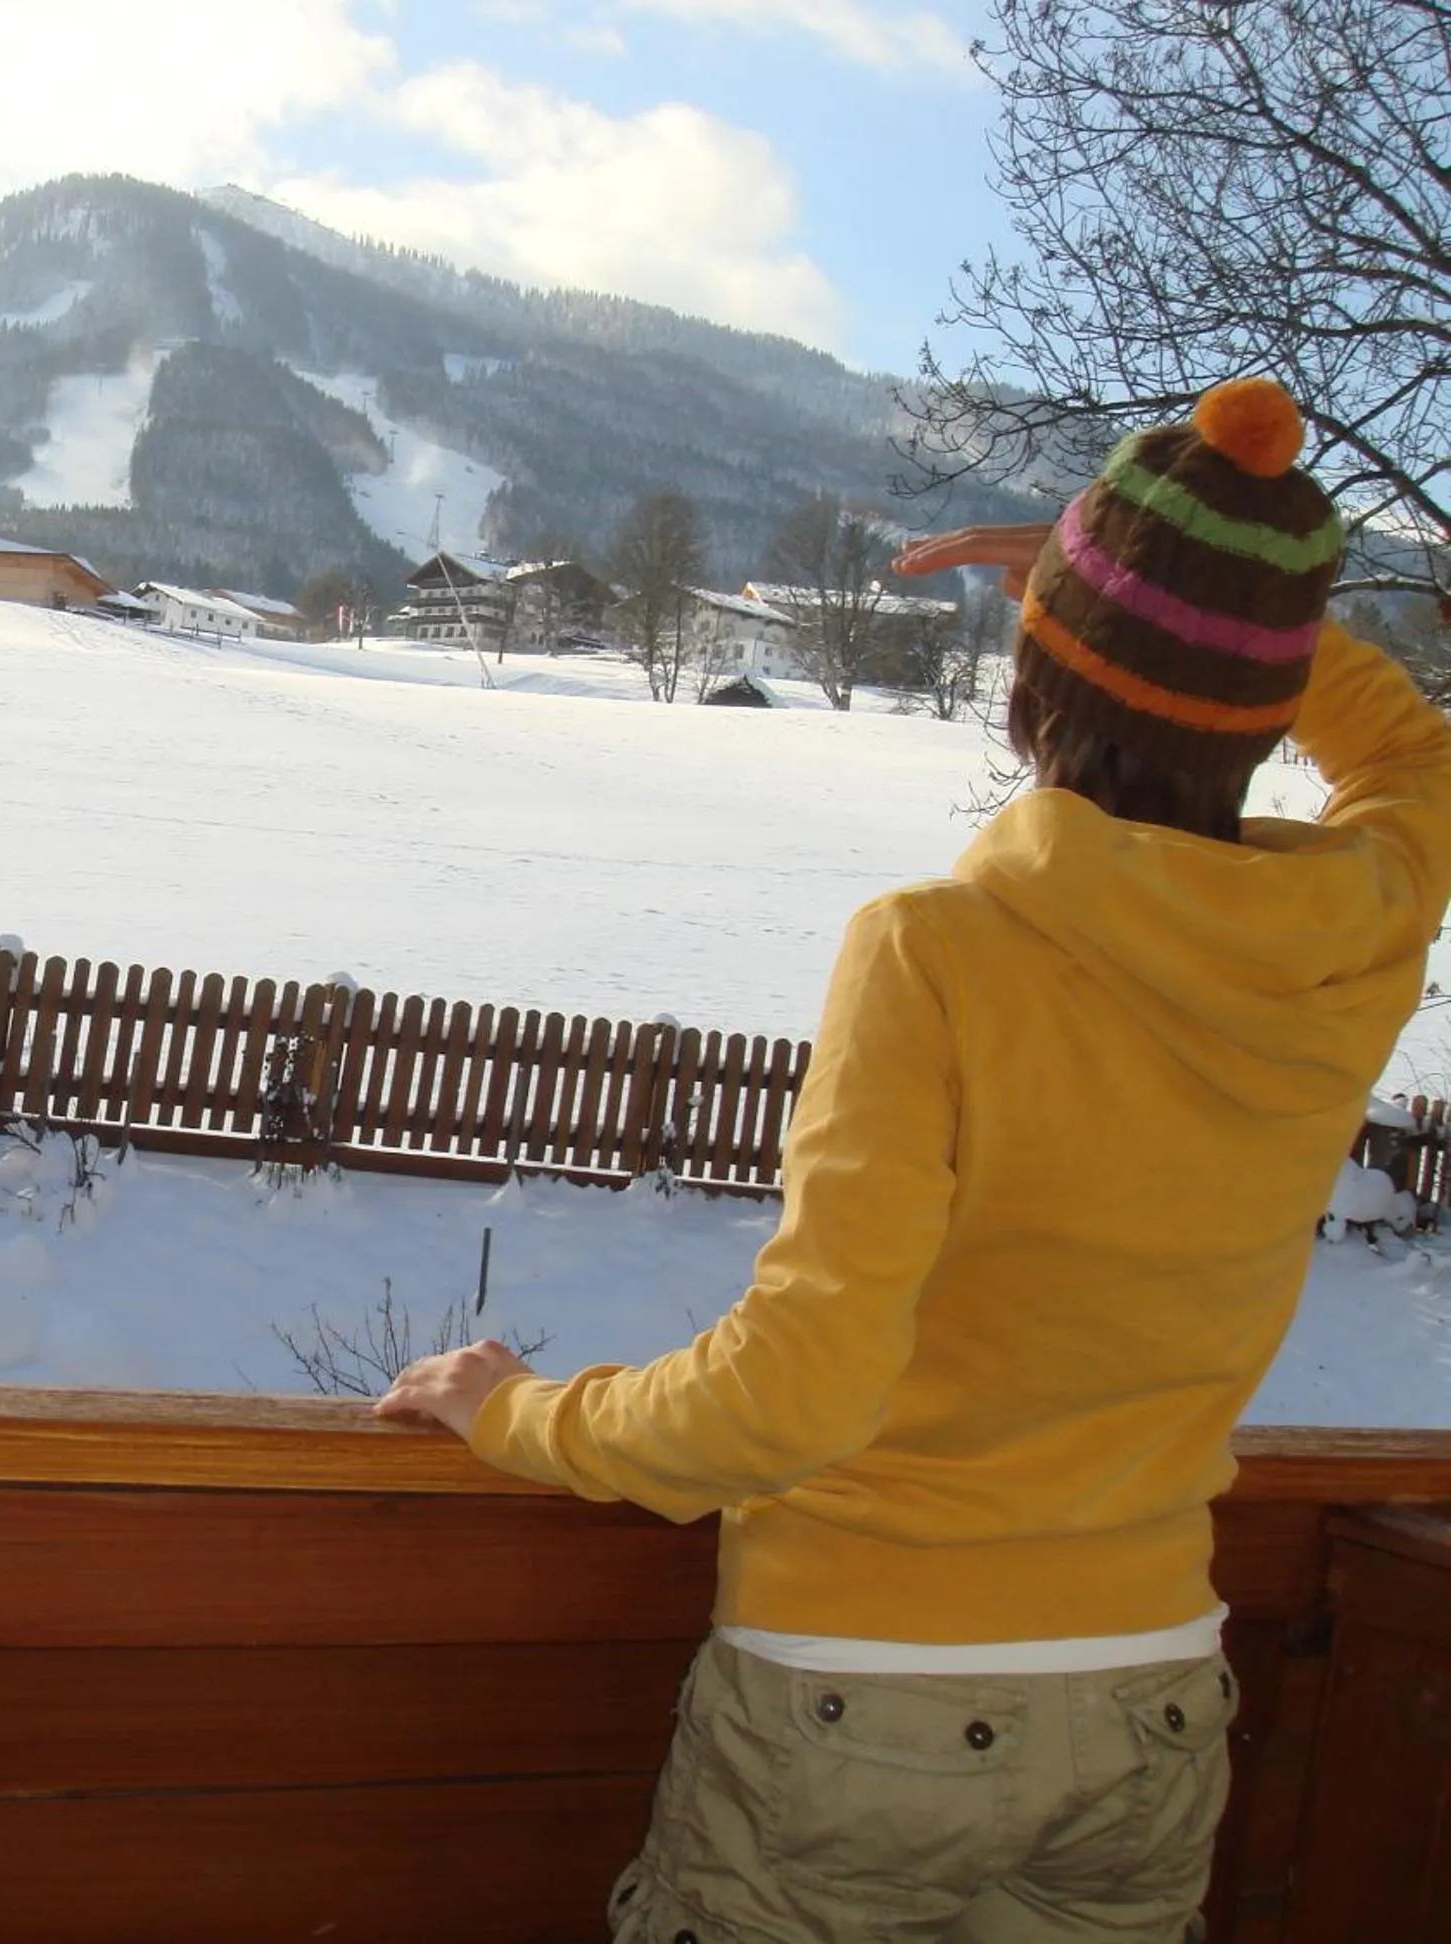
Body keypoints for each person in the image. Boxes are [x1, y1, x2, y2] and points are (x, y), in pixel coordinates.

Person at [375, 377, 1451, 1942]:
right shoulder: (1352, 941)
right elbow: (1415, 761)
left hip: (858, 1701)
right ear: (1262, 706)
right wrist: (1220, 616)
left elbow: (794, 1395)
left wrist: (521, 1412)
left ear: (1034, 682)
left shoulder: (939, 952)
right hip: (1147, 1700)